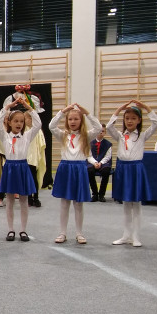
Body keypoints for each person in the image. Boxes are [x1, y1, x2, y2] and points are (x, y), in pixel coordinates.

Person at [106, 100, 157, 247]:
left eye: (133, 118)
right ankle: (125, 235)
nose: (129, 121)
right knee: (125, 204)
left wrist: (146, 107)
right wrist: (119, 109)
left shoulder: (142, 135)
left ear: (139, 120)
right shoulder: (120, 136)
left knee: (136, 204)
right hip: (123, 169)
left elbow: (156, 122)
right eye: (127, 118)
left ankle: (136, 236)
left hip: (136, 169)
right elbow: (109, 126)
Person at [49, 103, 102, 244]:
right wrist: (62, 111)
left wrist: (87, 113)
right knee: (64, 203)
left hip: (79, 169)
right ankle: (62, 233)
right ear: (67, 121)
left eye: (76, 119)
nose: (73, 121)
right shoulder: (63, 135)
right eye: (70, 119)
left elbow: (98, 127)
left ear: (81, 120)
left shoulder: (86, 136)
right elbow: (51, 126)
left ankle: (79, 233)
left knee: (78, 204)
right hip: (65, 169)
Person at [0, 98, 42, 242]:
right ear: (9, 122)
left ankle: (23, 230)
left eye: (21, 121)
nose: (19, 124)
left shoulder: (27, 136)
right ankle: (11, 230)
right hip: (10, 168)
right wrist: (7, 107)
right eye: (16, 121)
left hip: (22, 168)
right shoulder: (5, 136)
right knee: (9, 200)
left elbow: (38, 124)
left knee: (23, 200)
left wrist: (29, 108)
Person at [24, 110, 46, 207]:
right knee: (27, 179)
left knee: (34, 178)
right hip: (25, 158)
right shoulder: (23, 130)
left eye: (26, 118)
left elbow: (41, 144)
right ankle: (29, 197)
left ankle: (36, 197)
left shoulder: (36, 130)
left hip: (33, 158)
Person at [87, 125, 112, 202]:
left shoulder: (108, 144)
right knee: (89, 171)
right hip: (92, 162)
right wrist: (95, 163)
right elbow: (89, 156)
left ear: (105, 133)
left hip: (103, 163)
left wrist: (101, 163)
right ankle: (95, 194)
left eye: (102, 131)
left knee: (106, 171)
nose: (100, 133)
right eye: (99, 131)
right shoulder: (90, 143)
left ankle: (101, 195)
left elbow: (108, 156)